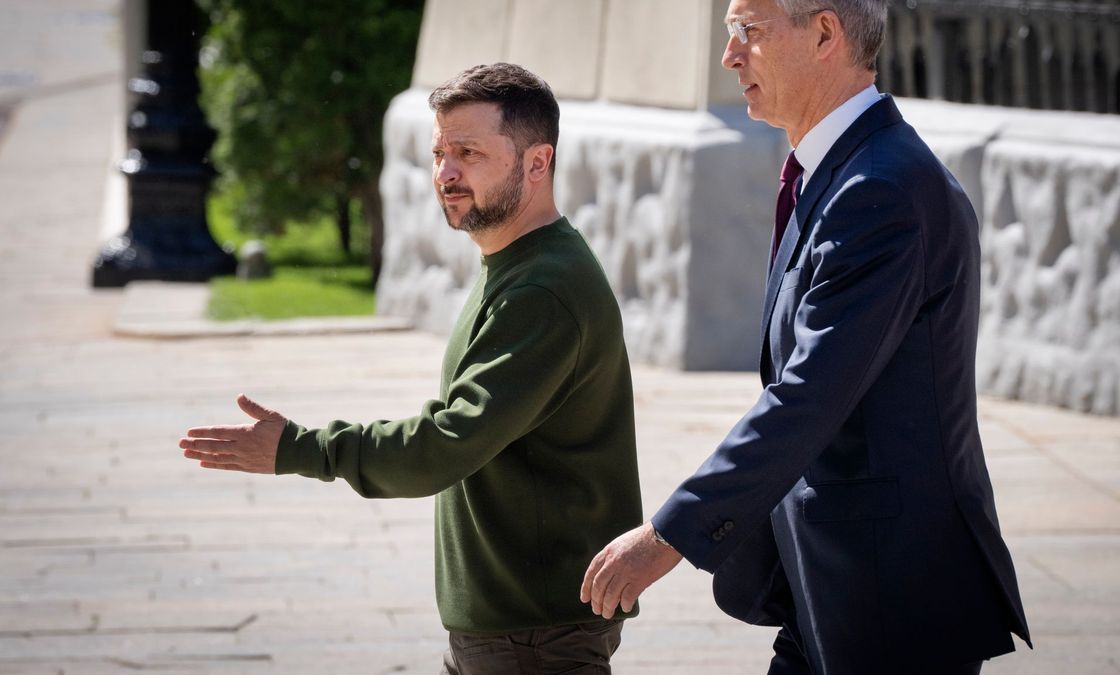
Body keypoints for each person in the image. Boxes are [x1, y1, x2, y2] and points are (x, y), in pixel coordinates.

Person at [580, 1, 1031, 673]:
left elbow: (807, 396)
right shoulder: (842, 173)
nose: (730, 56)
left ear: (825, 33)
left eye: (749, 32)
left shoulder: (880, 190)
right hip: (834, 587)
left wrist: (668, 535)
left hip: (890, 602)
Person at [181, 63, 642, 675]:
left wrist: (302, 449)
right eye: (440, 153)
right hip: (513, 628)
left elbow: (447, 443)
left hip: (532, 637)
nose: (446, 173)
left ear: (537, 163)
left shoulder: (542, 290)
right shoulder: (517, 266)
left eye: (470, 152)